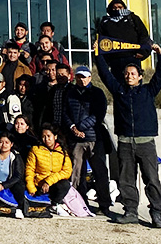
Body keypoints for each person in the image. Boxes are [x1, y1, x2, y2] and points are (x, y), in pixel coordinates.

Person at [95, 42, 161, 228]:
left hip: (146, 142)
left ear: (140, 77)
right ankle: (130, 211)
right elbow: (105, 75)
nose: (129, 76)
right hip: (125, 142)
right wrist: (98, 54)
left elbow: (160, 76)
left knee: (151, 179)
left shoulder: (148, 91)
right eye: (126, 74)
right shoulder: (119, 91)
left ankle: (156, 213)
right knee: (126, 180)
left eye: (133, 74)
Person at [62, 65, 111, 216]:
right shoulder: (69, 92)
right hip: (75, 139)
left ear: (90, 77)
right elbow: (65, 112)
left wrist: (81, 127)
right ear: (75, 77)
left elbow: (99, 114)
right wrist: (73, 128)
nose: (82, 80)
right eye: (79, 77)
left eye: (84, 77)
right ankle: (79, 203)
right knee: (77, 173)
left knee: (100, 171)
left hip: (94, 138)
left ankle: (104, 204)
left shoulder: (97, 93)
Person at [97, 0, 152, 80]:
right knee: (117, 88)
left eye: (120, 7)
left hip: (132, 58)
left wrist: (143, 53)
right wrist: (106, 59)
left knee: (134, 85)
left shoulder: (133, 18)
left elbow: (144, 36)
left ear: (124, 7)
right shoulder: (105, 22)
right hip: (115, 61)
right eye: (114, 7)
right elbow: (100, 41)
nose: (117, 9)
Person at [25, 123, 72, 209]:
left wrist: (48, 181)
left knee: (65, 184)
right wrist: (31, 187)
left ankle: (54, 204)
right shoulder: (35, 150)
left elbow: (67, 171)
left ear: (55, 137)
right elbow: (30, 170)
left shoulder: (62, 152)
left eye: (48, 136)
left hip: (53, 184)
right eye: (43, 136)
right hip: (38, 184)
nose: (46, 139)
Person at [0, 133, 27, 219]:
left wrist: (4, 185)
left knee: (19, 188)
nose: (4, 145)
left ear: (11, 144)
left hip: (11, 184)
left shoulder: (16, 157)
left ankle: (18, 208)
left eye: (7, 142)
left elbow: (18, 176)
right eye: (1, 142)